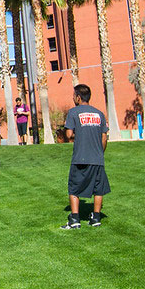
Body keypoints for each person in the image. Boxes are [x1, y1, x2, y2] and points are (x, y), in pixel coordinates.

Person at [61, 84, 110, 230]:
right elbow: (104, 138)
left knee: (73, 188)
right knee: (98, 188)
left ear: (78, 97)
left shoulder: (73, 112)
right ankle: (96, 217)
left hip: (80, 157)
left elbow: (69, 135)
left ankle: (75, 219)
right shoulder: (99, 113)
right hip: (97, 158)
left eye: (73, 95)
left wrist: (79, 134)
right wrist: (100, 152)